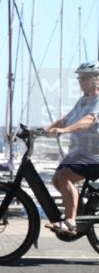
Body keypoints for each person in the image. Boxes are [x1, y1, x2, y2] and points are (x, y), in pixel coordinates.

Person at [44, 62, 99, 235]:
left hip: (94, 154)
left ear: (96, 79)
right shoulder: (83, 100)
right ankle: (77, 211)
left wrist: (64, 131)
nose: (80, 81)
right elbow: (67, 119)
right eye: (79, 78)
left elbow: (89, 120)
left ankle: (70, 223)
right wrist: (43, 130)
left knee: (65, 176)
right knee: (56, 180)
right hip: (79, 153)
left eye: (84, 78)